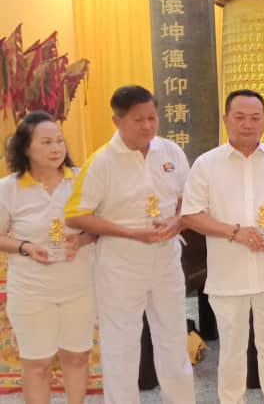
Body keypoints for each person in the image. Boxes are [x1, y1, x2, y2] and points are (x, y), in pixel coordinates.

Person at [64, 85, 195, 403]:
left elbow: (190, 200)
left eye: (152, 117)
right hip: (120, 266)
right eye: (138, 120)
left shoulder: (171, 152)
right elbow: (76, 216)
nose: (148, 126)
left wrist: (178, 221)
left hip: (166, 261)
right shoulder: (101, 162)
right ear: (117, 121)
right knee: (120, 346)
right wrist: (131, 233)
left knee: (174, 339)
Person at [180, 89, 264, 404]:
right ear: (226, 119)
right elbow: (191, 215)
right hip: (228, 275)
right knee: (232, 348)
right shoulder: (207, 164)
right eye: (239, 117)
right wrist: (234, 232)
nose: (247, 124)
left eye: (255, 117)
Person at [0, 111, 96, 404]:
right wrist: (26, 247)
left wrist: (82, 240)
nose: (56, 148)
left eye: (59, 141)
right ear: (25, 148)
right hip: (31, 291)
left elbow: (101, 226)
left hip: (79, 288)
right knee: (37, 365)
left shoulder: (83, 180)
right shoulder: (8, 188)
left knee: (76, 358)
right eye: (46, 142)